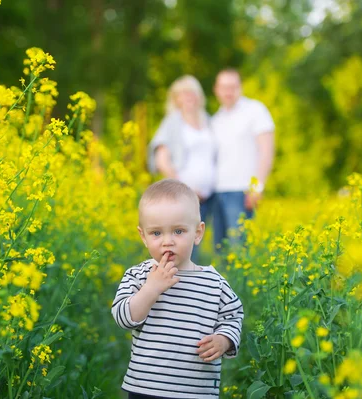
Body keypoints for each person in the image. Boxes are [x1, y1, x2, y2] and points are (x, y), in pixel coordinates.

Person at [111, 179, 244, 399]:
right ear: (143, 236)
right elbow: (123, 317)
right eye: (156, 233)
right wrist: (151, 289)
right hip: (146, 387)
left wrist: (224, 340)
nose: (167, 242)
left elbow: (233, 316)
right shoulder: (139, 275)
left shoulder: (214, 282)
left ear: (198, 233)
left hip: (196, 391)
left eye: (178, 231)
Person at [211, 68, 275, 250]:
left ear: (240, 87)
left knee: (240, 252)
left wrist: (257, 187)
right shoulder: (216, 119)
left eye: (233, 86)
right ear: (216, 89)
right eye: (224, 87)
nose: (228, 91)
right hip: (217, 193)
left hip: (242, 192)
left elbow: (266, 150)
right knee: (221, 252)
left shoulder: (255, 110)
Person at [147, 75, 216, 235]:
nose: (188, 97)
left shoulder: (208, 120)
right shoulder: (172, 122)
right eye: (183, 94)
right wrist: (186, 189)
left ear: (199, 96)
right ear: (176, 99)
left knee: (205, 240)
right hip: (184, 196)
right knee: (185, 243)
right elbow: (161, 160)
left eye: (192, 93)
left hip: (211, 196)